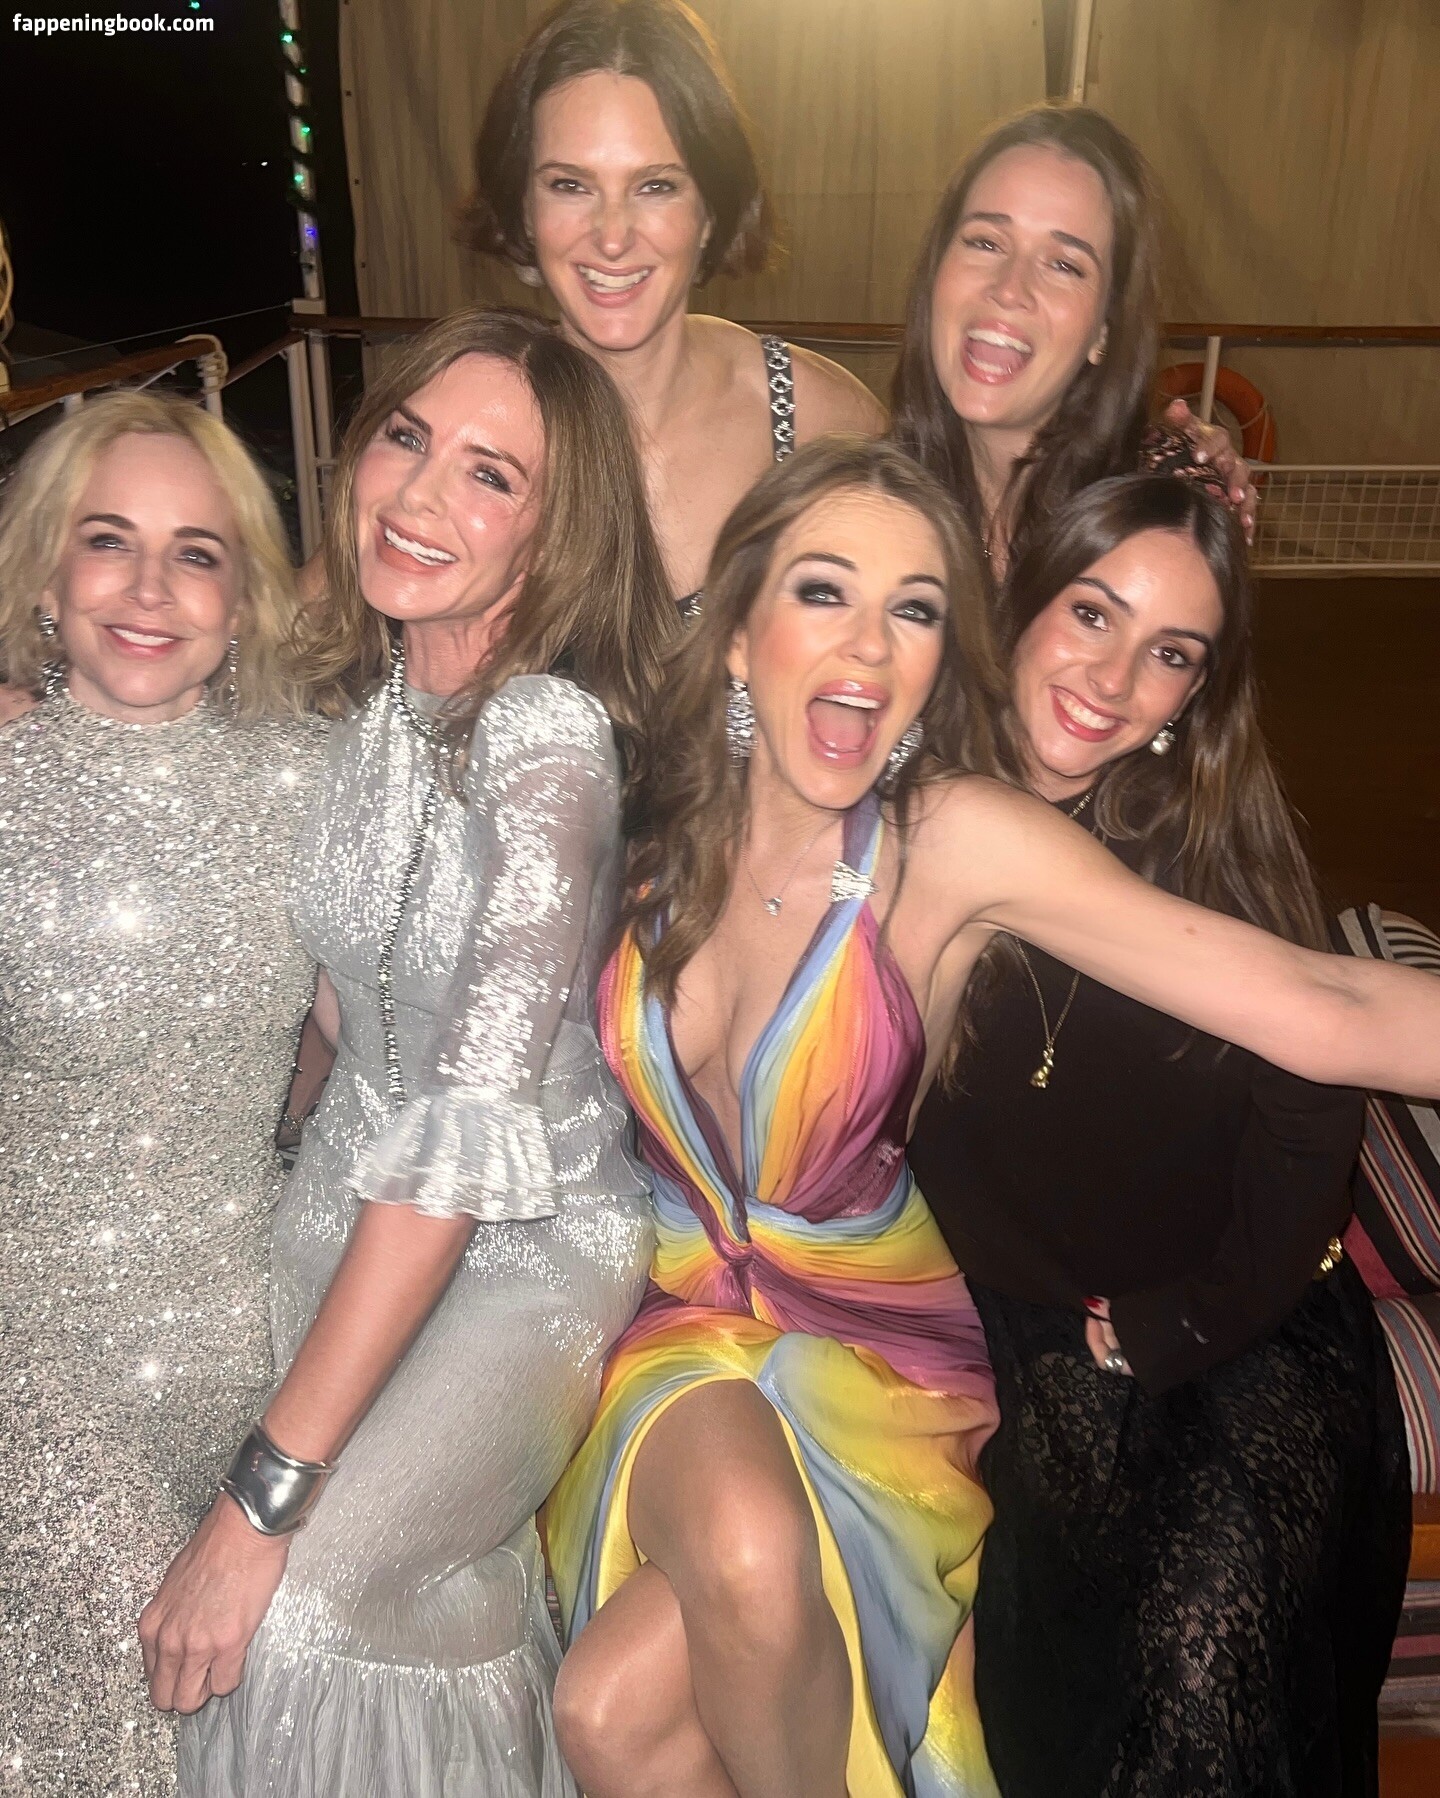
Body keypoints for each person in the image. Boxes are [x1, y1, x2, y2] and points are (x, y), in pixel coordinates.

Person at [544, 437, 1440, 1798]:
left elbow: (1326, 1005)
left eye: (912, 609)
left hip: (879, 1339)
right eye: (824, 590)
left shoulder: (947, 836)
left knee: (739, 1568)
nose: (868, 643)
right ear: (733, 628)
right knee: (608, 1713)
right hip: (682, 1315)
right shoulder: (629, 812)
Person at [141, 308, 676, 1796]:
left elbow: (467, 1118)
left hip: (518, 1247)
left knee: (293, 1598)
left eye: (492, 475)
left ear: (558, 534)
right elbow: (339, 1002)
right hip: (341, 1203)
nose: (421, 492)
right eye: (406, 438)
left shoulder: (547, 742)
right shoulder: (373, 703)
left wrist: (264, 1493)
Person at [906, 473, 1410, 1796]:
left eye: (1172, 652)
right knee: (1066, 1664)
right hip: (1025, 1323)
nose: (1115, 678)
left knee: (1205, 1643)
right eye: (1092, 612)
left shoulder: (1213, 848)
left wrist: (1187, 1319)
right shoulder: (904, 801)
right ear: (1020, 601)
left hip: (1243, 1305)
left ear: (1195, 693)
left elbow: (1316, 1107)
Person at [0, 391, 325, 1794]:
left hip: (248, 1340)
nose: (148, 588)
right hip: (30, 1346)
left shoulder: (311, 782)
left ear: (243, 596)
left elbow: (379, 1046)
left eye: (196, 553)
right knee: (124, 1677)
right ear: (44, 574)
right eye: (106, 541)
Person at [463, 0, 886, 603]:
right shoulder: (462, 428)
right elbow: (328, 620)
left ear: (711, 212)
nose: (613, 237)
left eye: (656, 186)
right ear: (524, 210)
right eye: (570, 185)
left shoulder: (818, 420)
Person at [892, 104, 1257, 581]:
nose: (1009, 289)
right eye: (985, 242)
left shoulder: (1160, 515)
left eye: (1064, 265)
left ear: (1105, 329)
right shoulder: (879, 496)